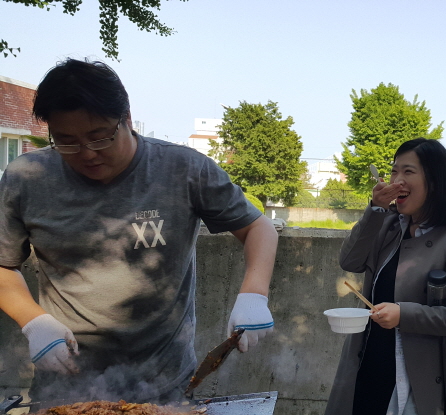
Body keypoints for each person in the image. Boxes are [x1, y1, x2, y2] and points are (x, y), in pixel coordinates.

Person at [0, 58, 279, 403]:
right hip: (65, 380)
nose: (86, 154)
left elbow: (257, 227)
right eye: (66, 141)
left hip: (164, 383)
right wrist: (33, 321)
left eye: (99, 137)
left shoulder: (183, 169)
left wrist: (254, 295)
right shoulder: (27, 178)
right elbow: (4, 264)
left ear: (127, 119)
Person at [325, 138, 446, 415]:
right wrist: (375, 209)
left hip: (416, 375)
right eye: (394, 171)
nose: (397, 181)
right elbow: (350, 261)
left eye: (408, 171)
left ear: (434, 181)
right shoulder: (388, 223)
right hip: (367, 361)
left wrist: (403, 315)